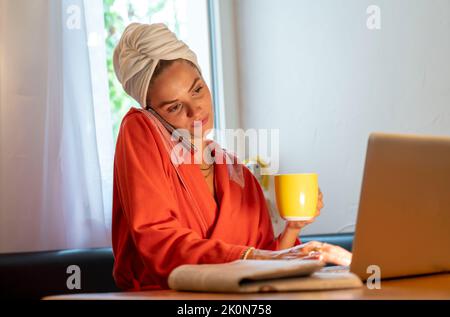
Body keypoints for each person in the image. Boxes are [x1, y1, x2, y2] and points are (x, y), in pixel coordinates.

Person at [111, 23, 352, 291]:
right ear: (153, 115)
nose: (196, 109)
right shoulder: (139, 129)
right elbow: (159, 240)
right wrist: (254, 257)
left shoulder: (236, 171)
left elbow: (267, 261)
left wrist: (293, 228)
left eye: (197, 89)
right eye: (175, 106)